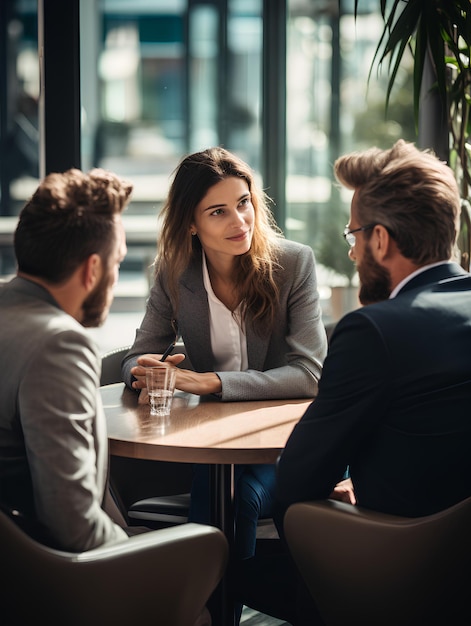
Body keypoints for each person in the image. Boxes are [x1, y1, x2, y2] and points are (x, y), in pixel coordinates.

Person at [238, 139, 471, 624]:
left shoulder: (376, 330)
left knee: (231, 565)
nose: (353, 253)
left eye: (354, 236)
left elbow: (299, 481)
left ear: (381, 240)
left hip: (398, 566)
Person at [121, 146, 328, 565]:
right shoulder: (173, 272)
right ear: (191, 224)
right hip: (213, 444)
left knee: (235, 500)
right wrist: (144, 375)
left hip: (289, 444)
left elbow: (309, 374)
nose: (239, 221)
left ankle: (212, 608)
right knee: (220, 493)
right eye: (218, 212)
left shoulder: (292, 264)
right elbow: (137, 355)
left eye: (243, 203)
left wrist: (209, 382)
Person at [0, 167, 132, 552]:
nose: (116, 275)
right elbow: (74, 526)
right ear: (93, 269)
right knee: (208, 558)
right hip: (49, 579)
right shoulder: (59, 344)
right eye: (117, 262)